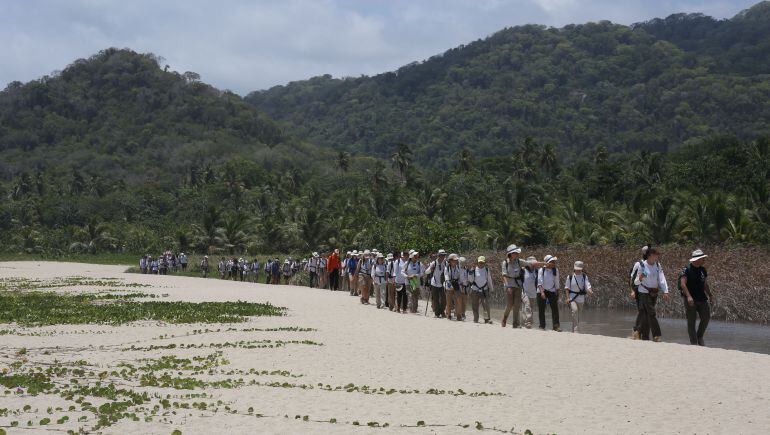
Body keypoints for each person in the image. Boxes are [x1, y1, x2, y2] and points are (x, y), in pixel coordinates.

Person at [631, 247, 670, 342]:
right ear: (649, 255)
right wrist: (640, 278)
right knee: (652, 313)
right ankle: (657, 336)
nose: (657, 256)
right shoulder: (641, 265)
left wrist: (665, 291)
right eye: (655, 255)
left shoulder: (657, 265)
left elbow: (661, 278)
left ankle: (639, 333)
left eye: (657, 255)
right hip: (643, 292)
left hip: (654, 293)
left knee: (644, 314)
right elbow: (635, 282)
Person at [679, 249, 713, 346]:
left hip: (702, 298)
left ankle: (699, 336)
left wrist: (710, 295)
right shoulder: (686, 270)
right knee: (691, 321)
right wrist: (689, 297)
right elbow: (683, 284)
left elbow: (705, 284)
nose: (704, 260)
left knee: (706, 317)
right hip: (690, 299)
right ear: (697, 259)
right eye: (702, 258)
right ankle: (693, 342)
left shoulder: (703, 270)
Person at [564, 261, 593, 333]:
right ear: (574, 268)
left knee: (578, 314)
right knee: (575, 311)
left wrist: (590, 291)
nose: (578, 270)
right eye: (577, 269)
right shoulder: (570, 277)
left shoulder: (584, 276)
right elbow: (567, 288)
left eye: (580, 269)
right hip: (572, 297)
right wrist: (567, 298)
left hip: (581, 298)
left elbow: (587, 285)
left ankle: (574, 329)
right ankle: (576, 330)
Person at [501, 244, 524, 328]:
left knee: (517, 305)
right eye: (515, 253)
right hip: (509, 286)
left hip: (518, 285)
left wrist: (544, 263)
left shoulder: (519, 261)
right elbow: (504, 276)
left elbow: (530, 263)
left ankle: (515, 324)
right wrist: (508, 286)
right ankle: (504, 319)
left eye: (517, 253)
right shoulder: (505, 263)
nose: (517, 254)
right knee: (509, 305)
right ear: (510, 254)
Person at [537, 255, 560, 331]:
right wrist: (542, 292)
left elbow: (556, 282)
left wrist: (558, 292)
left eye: (554, 262)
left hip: (552, 291)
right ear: (547, 263)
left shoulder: (555, 270)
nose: (554, 263)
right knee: (541, 309)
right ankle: (542, 326)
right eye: (552, 262)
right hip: (541, 291)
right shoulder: (541, 270)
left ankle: (556, 326)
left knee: (555, 309)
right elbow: (539, 283)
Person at [469, 256, 493, 324]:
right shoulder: (473, 270)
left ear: (484, 263)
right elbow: (470, 280)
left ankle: (487, 319)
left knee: (485, 305)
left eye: (482, 262)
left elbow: (489, 280)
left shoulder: (486, 270)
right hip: (475, 289)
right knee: (475, 305)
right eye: (480, 262)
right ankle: (476, 319)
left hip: (484, 290)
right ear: (477, 262)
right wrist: (470, 273)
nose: (481, 264)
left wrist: (491, 288)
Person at [425, 249, 448, 318]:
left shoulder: (446, 263)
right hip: (434, 283)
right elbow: (426, 272)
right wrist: (430, 269)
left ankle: (441, 311)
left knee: (444, 300)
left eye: (443, 255)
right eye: (441, 255)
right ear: (438, 256)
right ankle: (437, 313)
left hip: (443, 284)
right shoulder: (434, 263)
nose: (442, 257)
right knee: (436, 299)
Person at [521, 256, 540, 329]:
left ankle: (523, 322)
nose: (533, 265)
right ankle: (528, 322)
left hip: (533, 293)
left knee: (528, 308)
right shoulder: (523, 271)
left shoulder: (536, 271)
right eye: (532, 263)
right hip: (524, 292)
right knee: (527, 306)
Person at [444, 253, 461, 320]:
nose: (455, 261)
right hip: (449, 284)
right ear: (450, 261)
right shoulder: (447, 268)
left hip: (456, 284)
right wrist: (448, 283)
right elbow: (446, 276)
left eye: (456, 260)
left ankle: (458, 315)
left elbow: (459, 276)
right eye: (454, 260)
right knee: (449, 301)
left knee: (458, 300)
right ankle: (448, 314)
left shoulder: (458, 267)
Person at [457, 257, 470, 321]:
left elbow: (468, 279)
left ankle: (463, 313)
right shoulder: (457, 269)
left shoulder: (467, 270)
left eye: (464, 263)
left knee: (464, 301)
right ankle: (459, 313)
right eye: (462, 263)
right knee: (459, 301)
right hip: (459, 287)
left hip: (465, 287)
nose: (463, 264)